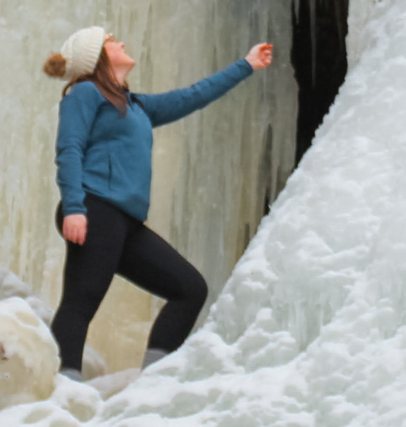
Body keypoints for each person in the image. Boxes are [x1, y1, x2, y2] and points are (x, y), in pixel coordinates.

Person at [42, 24, 273, 380]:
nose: (119, 41)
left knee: (189, 289)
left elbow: (192, 96)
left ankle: (152, 384)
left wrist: (246, 64)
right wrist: (74, 207)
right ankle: (61, 393)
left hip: (124, 222)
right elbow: (69, 149)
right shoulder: (84, 94)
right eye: (110, 40)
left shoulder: (136, 106)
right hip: (95, 208)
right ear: (98, 56)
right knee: (81, 301)